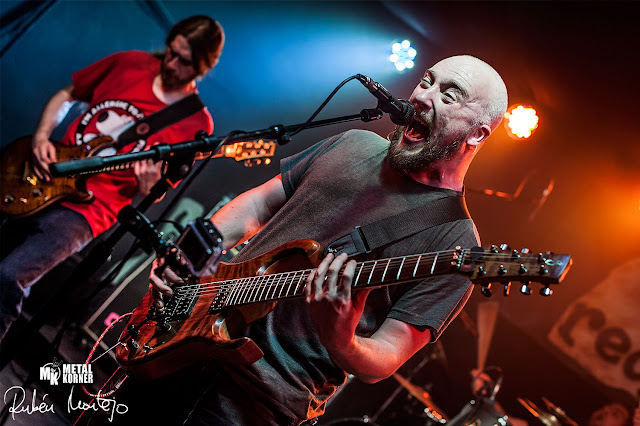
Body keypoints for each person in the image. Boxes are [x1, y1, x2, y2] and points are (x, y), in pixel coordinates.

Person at [147, 54, 508, 425]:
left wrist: (342, 339)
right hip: (181, 339)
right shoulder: (353, 144)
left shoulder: (456, 243)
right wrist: (188, 256)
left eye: (449, 96)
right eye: (427, 81)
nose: (423, 97)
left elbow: (385, 356)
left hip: (255, 403)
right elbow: (259, 204)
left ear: (477, 134)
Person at [0, 15, 224, 341]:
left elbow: (159, 189)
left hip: (89, 209)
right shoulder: (130, 63)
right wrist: (41, 138)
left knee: (9, 277)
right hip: (44, 171)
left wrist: (149, 186)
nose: (171, 64)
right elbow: (67, 94)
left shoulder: (196, 124)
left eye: (184, 61)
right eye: (171, 52)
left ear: (203, 67)